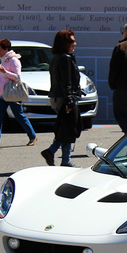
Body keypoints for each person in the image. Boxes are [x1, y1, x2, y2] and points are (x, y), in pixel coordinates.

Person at [0, 39, 37, 149]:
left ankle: (32, 136)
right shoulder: (4, 60)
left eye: (0, 50)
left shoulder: (14, 61)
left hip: (12, 94)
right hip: (2, 95)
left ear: (6, 49)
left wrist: (5, 73)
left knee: (19, 115)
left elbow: (17, 77)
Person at [41, 30, 83, 167]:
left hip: (59, 96)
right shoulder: (65, 58)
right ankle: (53, 151)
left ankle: (65, 160)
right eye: (71, 41)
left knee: (67, 128)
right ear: (64, 43)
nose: (75, 43)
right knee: (68, 128)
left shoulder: (59, 57)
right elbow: (66, 82)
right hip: (64, 98)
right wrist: (70, 101)